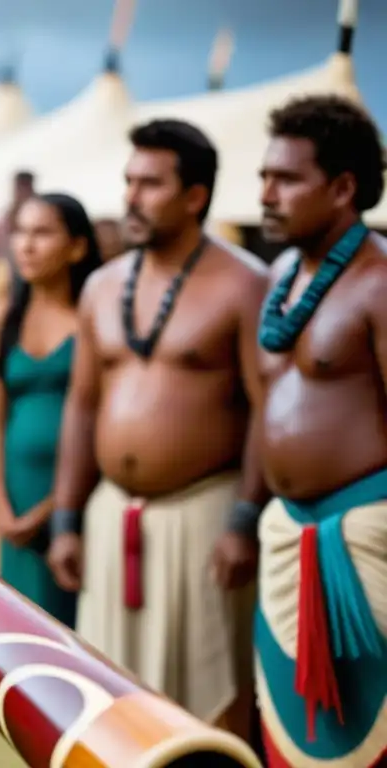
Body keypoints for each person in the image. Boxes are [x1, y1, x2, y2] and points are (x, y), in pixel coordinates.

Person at [45, 119, 269, 735]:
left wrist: (244, 521)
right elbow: (83, 406)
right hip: (111, 516)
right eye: (129, 181)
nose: (132, 197)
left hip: (206, 517)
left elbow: (266, 410)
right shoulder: (101, 284)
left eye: (151, 183)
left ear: (195, 196)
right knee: (109, 700)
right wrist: (67, 518)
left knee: (210, 700)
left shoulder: (246, 283)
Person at [254, 95, 387, 768]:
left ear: (343, 188)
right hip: (284, 535)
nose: (266, 194)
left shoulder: (383, 282)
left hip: (367, 540)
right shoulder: (278, 276)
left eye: (286, 179)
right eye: (263, 177)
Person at [0, 193, 102, 627]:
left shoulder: (94, 317)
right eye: (21, 232)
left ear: (77, 247)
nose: (26, 246)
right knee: (21, 625)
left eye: (42, 233)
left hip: (74, 497)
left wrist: (52, 509)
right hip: (15, 500)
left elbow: (99, 421)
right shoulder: (3, 318)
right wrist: (2, 510)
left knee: (74, 626)